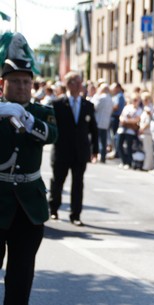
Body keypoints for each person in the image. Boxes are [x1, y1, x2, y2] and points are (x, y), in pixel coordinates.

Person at [0, 31, 58, 305]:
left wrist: (24, 117)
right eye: (15, 82)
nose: (22, 86)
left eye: (26, 82)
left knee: (21, 275)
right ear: (3, 84)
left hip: (28, 206)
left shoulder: (40, 112)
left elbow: (52, 135)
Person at [48, 71, 98, 227]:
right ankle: (54, 209)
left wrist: (95, 149)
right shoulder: (57, 104)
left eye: (80, 82)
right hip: (62, 151)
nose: (80, 85)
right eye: (76, 82)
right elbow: (52, 127)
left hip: (80, 152)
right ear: (69, 84)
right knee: (58, 182)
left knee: (78, 184)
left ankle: (75, 214)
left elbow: (93, 129)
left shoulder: (87, 105)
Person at [116, 92, 142, 169]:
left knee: (129, 147)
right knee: (119, 145)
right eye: (134, 100)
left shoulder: (139, 110)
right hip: (122, 129)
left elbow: (137, 120)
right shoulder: (127, 107)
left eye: (136, 100)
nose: (135, 101)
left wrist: (127, 121)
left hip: (131, 131)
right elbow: (121, 116)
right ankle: (123, 161)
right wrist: (124, 120)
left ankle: (129, 162)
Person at [92, 83, 113, 163]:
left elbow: (95, 107)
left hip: (98, 121)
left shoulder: (100, 98)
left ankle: (95, 155)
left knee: (96, 140)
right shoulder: (110, 99)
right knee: (103, 141)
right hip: (105, 123)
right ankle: (103, 157)